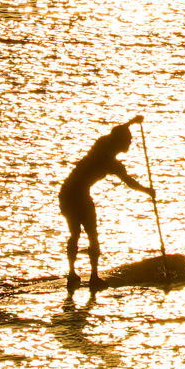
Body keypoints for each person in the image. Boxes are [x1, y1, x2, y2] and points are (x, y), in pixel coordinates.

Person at [60, 116, 154, 289]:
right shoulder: (103, 149)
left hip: (73, 193)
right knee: (82, 234)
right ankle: (80, 275)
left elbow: (129, 182)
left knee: (85, 234)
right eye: (128, 140)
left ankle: (84, 275)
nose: (130, 143)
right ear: (119, 142)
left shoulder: (112, 159)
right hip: (71, 193)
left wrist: (132, 121)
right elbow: (130, 182)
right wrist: (148, 191)